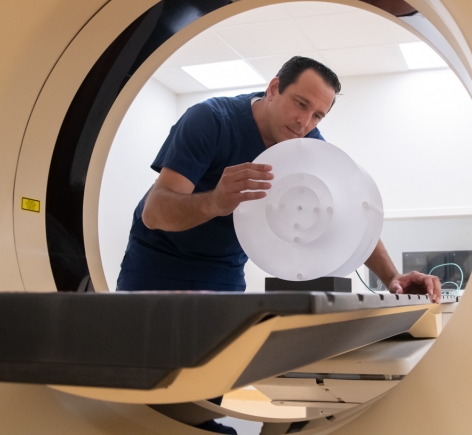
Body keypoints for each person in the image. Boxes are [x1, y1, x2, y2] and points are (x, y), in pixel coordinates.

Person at [116, 56, 441, 301]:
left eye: (317, 115)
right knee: (141, 379)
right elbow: (155, 213)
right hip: (157, 263)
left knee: (209, 385)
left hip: (224, 272)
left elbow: (352, 220)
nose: (304, 122)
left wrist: (394, 278)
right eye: (300, 104)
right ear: (273, 89)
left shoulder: (310, 147)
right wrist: (215, 202)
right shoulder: (211, 121)